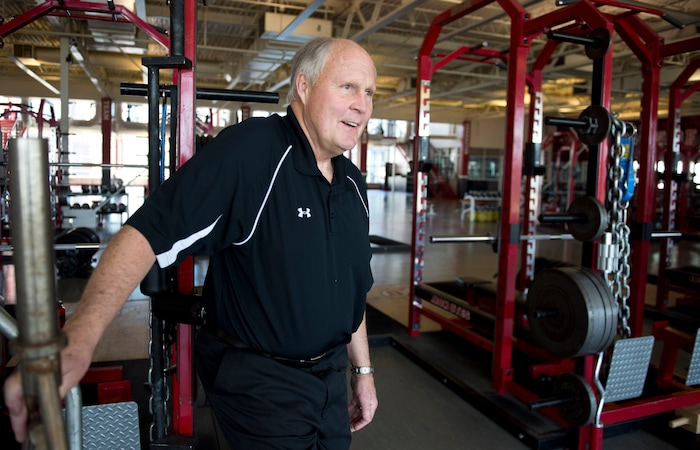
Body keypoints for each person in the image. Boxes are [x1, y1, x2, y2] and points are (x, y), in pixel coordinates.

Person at [4, 37, 378, 449]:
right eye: (347, 87)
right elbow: (148, 234)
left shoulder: (351, 183)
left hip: (330, 378)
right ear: (304, 87)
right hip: (263, 382)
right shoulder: (253, 152)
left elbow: (352, 288)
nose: (362, 104)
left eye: (369, 93)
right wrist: (80, 337)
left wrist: (362, 373)